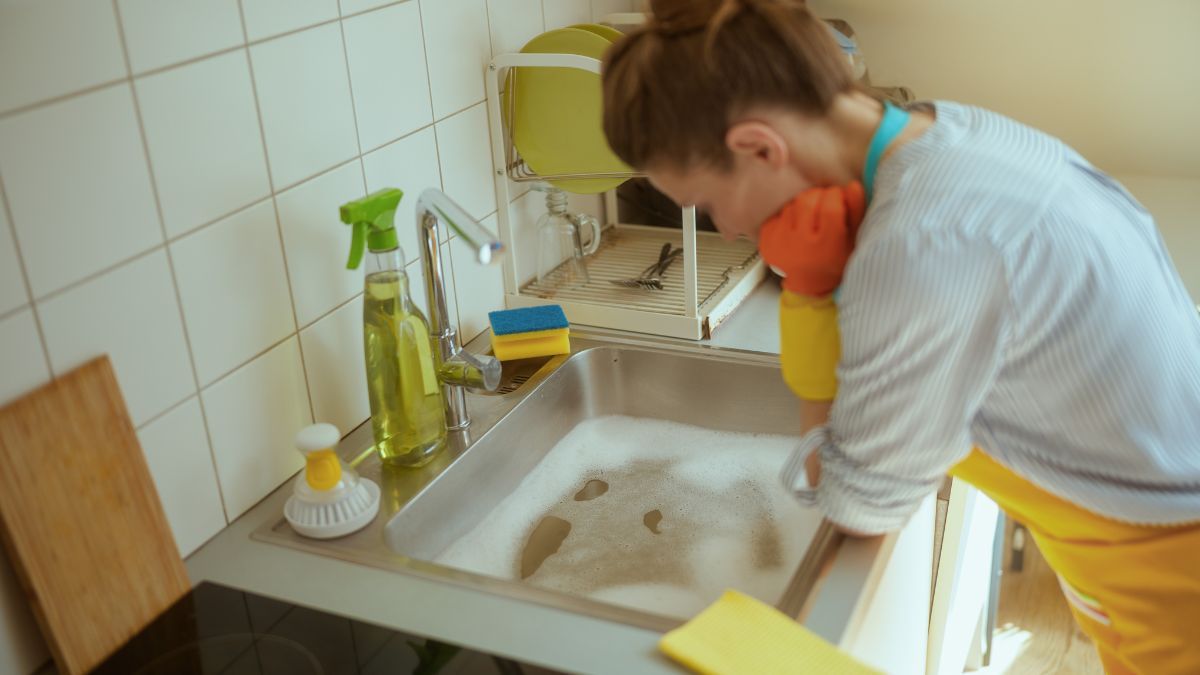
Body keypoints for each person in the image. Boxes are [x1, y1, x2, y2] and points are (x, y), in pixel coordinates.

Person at [599, 1, 1200, 672]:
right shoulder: (946, 129)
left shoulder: (923, 242)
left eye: (707, 202)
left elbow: (859, 503)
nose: (729, 229)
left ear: (760, 146)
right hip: (1137, 533)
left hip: (1173, 574)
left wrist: (809, 290)